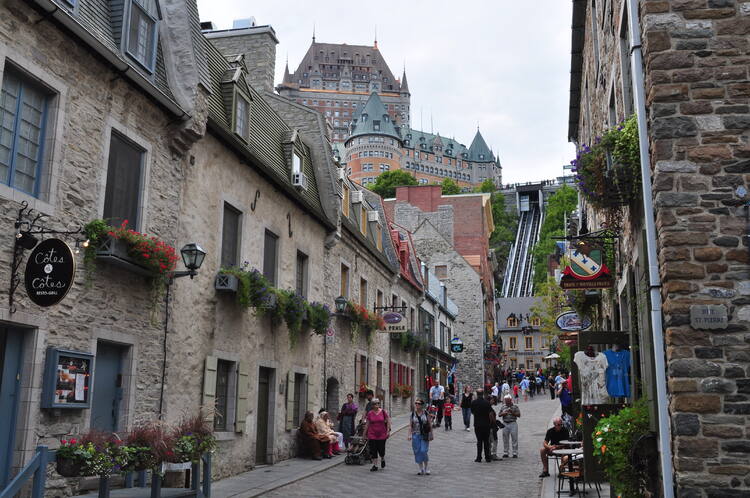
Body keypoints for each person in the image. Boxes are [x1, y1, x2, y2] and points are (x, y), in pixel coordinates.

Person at [364, 398, 391, 471]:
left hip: (382, 434)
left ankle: (382, 458)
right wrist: (364, 434)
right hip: (372, 434)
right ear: (372, 405)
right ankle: (375, 465)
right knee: (373, 449)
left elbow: (388, 421)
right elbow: (367, 424)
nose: (377, 405)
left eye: (378, 403)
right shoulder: (370, 413)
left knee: (381, 449)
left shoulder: (383, 412)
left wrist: (388, 431)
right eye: (375, 404)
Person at [408, 399, 432, 475]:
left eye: (419, 403)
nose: (417, 405)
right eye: (416, 403)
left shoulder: (425, 413)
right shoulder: (412, 414)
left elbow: (429, 424)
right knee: (417, 451)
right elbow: (410, 425)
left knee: (423, 450)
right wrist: (409, 435)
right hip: (416, 435)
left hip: (424, 435)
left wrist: (431, 434)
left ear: (422, 405)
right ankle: (420, 468)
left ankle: (426, 467)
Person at [470, 388, 493, 463]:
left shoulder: (473, 402)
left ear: (476, 394)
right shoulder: (487, 403)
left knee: (479, 441)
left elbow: (472, 412)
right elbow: (490, 413)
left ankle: (479, 457)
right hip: (486, 424)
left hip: (477, 424)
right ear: (483, 394)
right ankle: (487, 457)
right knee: (486, 441)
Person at [489, 395, 501, 460]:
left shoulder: (487, 407)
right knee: (494, 441)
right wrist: (495, 423)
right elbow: (491, 416)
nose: (493, 401)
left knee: (490, 441)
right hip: (491, 427)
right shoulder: (489, 408)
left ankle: (489, 453)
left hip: (488, 427)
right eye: (492, 400)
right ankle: (494, 454)